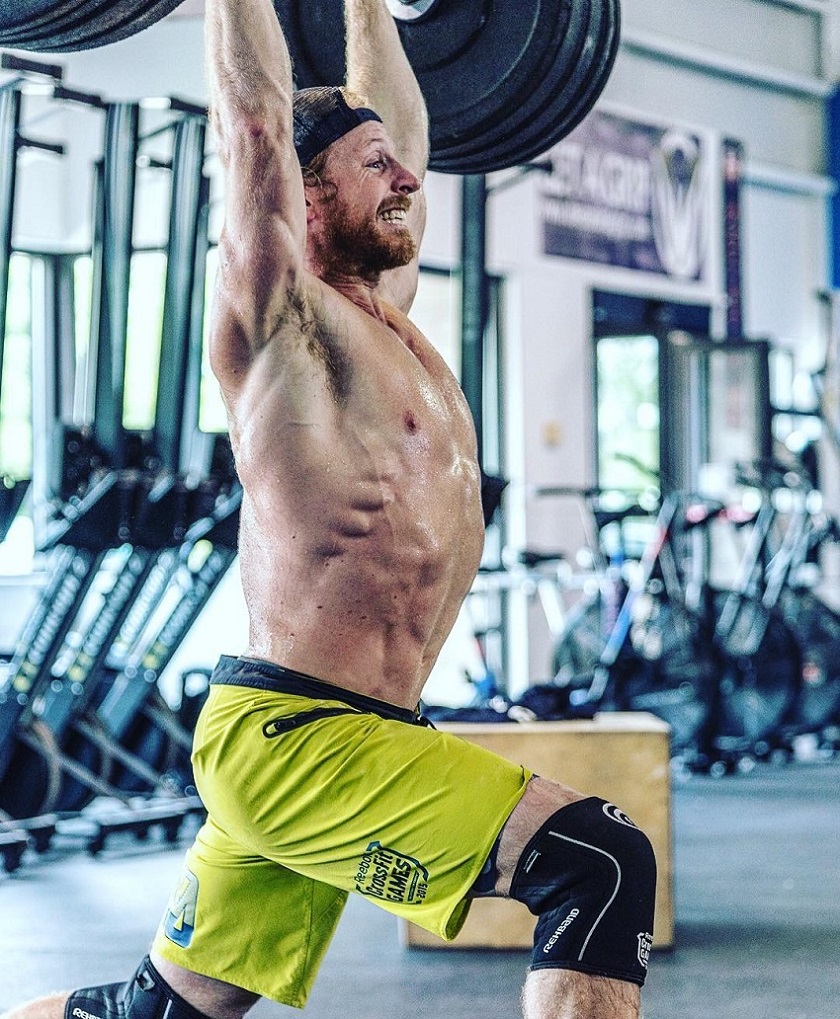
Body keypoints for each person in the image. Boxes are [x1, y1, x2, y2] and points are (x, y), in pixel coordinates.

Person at [3, 2, 656, 1018]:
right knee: (596, 863)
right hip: (298, 742)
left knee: (155, 1013)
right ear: (305, 193)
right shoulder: (279, 326)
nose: (405, 180)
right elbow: (256, 119)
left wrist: (364, 5)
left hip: (336, 732)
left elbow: (401, 116)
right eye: (374, 167)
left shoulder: (386, 322)